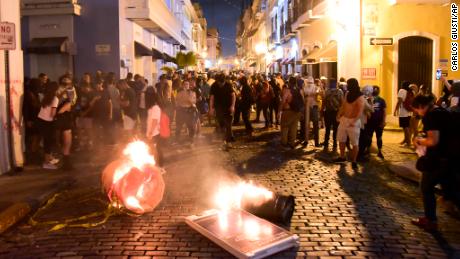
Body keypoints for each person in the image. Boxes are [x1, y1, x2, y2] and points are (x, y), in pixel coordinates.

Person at [411, 95, 451, 231]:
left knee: (426, 187)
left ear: (422, 106)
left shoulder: (430, 116)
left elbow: (433, 140)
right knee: (451, 190)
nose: (417, 113)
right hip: (450, 157)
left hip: (437, 158)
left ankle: (430, 220)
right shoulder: (443, 111)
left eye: (416, 110)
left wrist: (418, 141)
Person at [334, 78, 365, 170]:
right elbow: (343, 106)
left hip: (353, 122)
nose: (346, 86)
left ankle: (354, 161)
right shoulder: (347, 94)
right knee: (341, 139)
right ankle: (342, 157)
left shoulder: (360, 97)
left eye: (348, 84)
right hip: (344, 120)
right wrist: (339, 114)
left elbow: (360, 111)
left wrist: (354, 121)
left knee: (354, 143)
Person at [37, 82, 60, 169]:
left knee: (47, 141)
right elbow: (52, 114)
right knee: (48, 142)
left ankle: (49, 158)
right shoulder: (55, 99)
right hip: (48, 122)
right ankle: (46, 163)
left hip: (41, 121)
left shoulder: (45, 97)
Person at [210, 74, 236, 148]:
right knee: (221, 126)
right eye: (219, 83)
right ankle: (223, 140)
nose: (220, 84)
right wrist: (211, 108)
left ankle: (229, 142)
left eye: (222, 83)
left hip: (228, 108)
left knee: (228, 125)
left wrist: (232, 106)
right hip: (218, 108)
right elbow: (212, 97)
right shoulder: (214, 85)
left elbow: (233, 95)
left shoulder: (228, 85)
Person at [56, 76, 77, 170]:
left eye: (68, 83)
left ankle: (66, 161)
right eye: (64, 83)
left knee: (66, 139)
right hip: (60, 117)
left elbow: (71, 102)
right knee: (63, 139)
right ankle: (65, 161)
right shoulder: (59, 91)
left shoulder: (71, 91)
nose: (66, 85)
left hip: (65, 117)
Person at [279, 77, 303, 149]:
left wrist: (279, 111)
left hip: (288, 111)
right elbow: (303, 101)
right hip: (297, 112)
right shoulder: (299, 90)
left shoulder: (287, 91)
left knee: (285, 127)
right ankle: (292, 143)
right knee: (294, 128)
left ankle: (284, 143)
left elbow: (283, 101)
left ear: (289, 83)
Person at [23, 78, 42, 164]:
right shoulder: (28, 94)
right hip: (32, 119)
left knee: (37, 137)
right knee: (32, 138)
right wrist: (28, 120)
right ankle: (31, 157)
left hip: (37, 119)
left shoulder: (35, 94)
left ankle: (34, 155)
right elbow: (26, 108)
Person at [366, 86, 386, 159]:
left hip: (378, 122)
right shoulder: (368, 99)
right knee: (369, 137)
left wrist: (383, 121)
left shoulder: (381, 100)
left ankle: (379, 151)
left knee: (379, 137)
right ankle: (368, 150)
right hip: (370, 122)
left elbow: (384, 112)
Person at [145, 89, 165, 167]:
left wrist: (150, 133)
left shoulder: (156, 108)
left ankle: (161, 167)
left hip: (154, 134)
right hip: (152, 133)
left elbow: (155, 121)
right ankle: (156, 166)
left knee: (157, 151)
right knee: (154, 151)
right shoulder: (152, 108)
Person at [323, 78, 343, 152]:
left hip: (328, 112)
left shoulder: (327, 91)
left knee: (327, 129)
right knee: (335, 129)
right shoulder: (339, 91)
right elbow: (342, 102)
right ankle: (334, 143)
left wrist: (322, 110)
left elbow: (324, 101)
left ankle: (326, 143)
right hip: (336, 112)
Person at [175, 81, 198, 145]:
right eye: (185, 84)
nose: (186, 85)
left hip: (189, 111)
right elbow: (177, 101)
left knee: (191, 127)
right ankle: (177, 140)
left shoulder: (192, 93)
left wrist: (188, 97)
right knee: (178, 127)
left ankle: (191, 140)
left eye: (187, 84)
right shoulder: (179, 93)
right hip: (181, 110)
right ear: (182, 86)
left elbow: (193, 102)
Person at [91, 79, 113, 146]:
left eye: (98, 84)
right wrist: (94, 99)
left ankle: (107, 143)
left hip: (105, 114)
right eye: (96, 85)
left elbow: (110, 103)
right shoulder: (93, 92)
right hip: (96, 115)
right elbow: (90, 104)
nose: (97, 86)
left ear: (101, 84)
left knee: (106, 129)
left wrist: (110, 113)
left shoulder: (106, 91)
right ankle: (97, 144)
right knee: (96, 130)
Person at [301, 76, 320, 147]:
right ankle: (314, 142)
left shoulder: (307, 88)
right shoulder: (313, 87)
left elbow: (318, 92)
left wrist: (309, 95)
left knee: (311, 125)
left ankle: (312, 141)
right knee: (311, 125)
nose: (310, 84)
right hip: (310, 107)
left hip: (311, 106)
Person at [394, 81, 413, 147]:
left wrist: (395, 110)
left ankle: (408, 143)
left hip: (403, 112)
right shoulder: (409, 92)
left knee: (405, 127)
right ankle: (405, 140)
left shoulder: (401, 90)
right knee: (407, 126)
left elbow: (399, 101)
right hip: (409, 112)